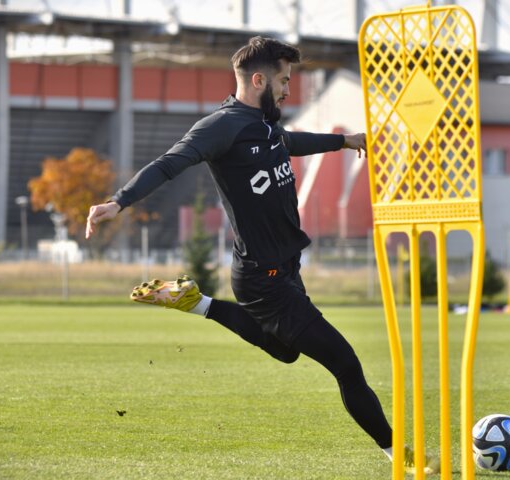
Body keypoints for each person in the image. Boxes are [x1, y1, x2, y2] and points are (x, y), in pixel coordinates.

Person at [86, 36, 435, 475]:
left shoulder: (266, 125)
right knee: (345, 362)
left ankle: (198, 304)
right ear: (257, 80)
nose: (289, 89)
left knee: (286, 353)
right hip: (262, 276)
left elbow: (287, 142)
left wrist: (344, 141)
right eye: (284, 81)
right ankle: (400, 454)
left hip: (284, 268)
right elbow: (169, 162)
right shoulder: (221, 126)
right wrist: (118, 201)